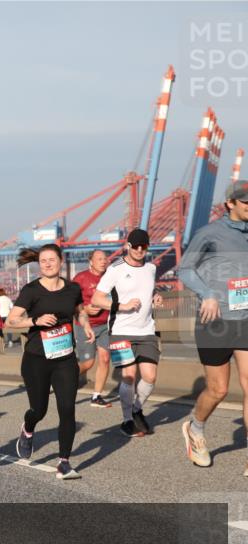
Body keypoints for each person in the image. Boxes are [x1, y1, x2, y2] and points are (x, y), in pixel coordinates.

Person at [176, 179, 248, 473]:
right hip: (214, 322)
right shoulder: (208, 234)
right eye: (246, 201)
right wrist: (207, 295)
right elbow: (185, 269)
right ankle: (195, 427)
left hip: (245, 318)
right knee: (217, 390)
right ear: (230, 204)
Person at [6, 244, 93, 480]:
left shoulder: (72, 288)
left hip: (65, 358)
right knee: (39, 409)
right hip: (36, 359)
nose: (47, 264)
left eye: (51, 260)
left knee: (67, 408)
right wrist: (35, 320)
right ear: (39, 264)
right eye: (43, 261)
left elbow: (80, 310)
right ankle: (28, 428)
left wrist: (84, 323)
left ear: (60, 261)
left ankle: (64, 462)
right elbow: (11, 321)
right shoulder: (31, 290)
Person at [91, 229, 163, 437]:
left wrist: (156, 296)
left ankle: (137, 409)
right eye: (136, 246)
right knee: (129, 377)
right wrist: (121, 306)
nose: (140, 250)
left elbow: (147, 289)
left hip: (146, 330)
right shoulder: (115, 269)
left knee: (150, 376)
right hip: (121, 330)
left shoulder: (151, 268)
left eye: (144, 246)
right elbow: (97, 299)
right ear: (128, 246)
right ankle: (127, 420)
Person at [72, 249, 113, 408]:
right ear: (91, 261)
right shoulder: (80, 278)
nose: (103, 261)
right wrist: (85, 309)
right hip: (85, 325)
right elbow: (70, 301)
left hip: (105, 325)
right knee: (88, 363)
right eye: (99, 259)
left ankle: (96, 397)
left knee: (105, 359)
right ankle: (62, 377)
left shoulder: (110, 278)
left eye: (105, 259)